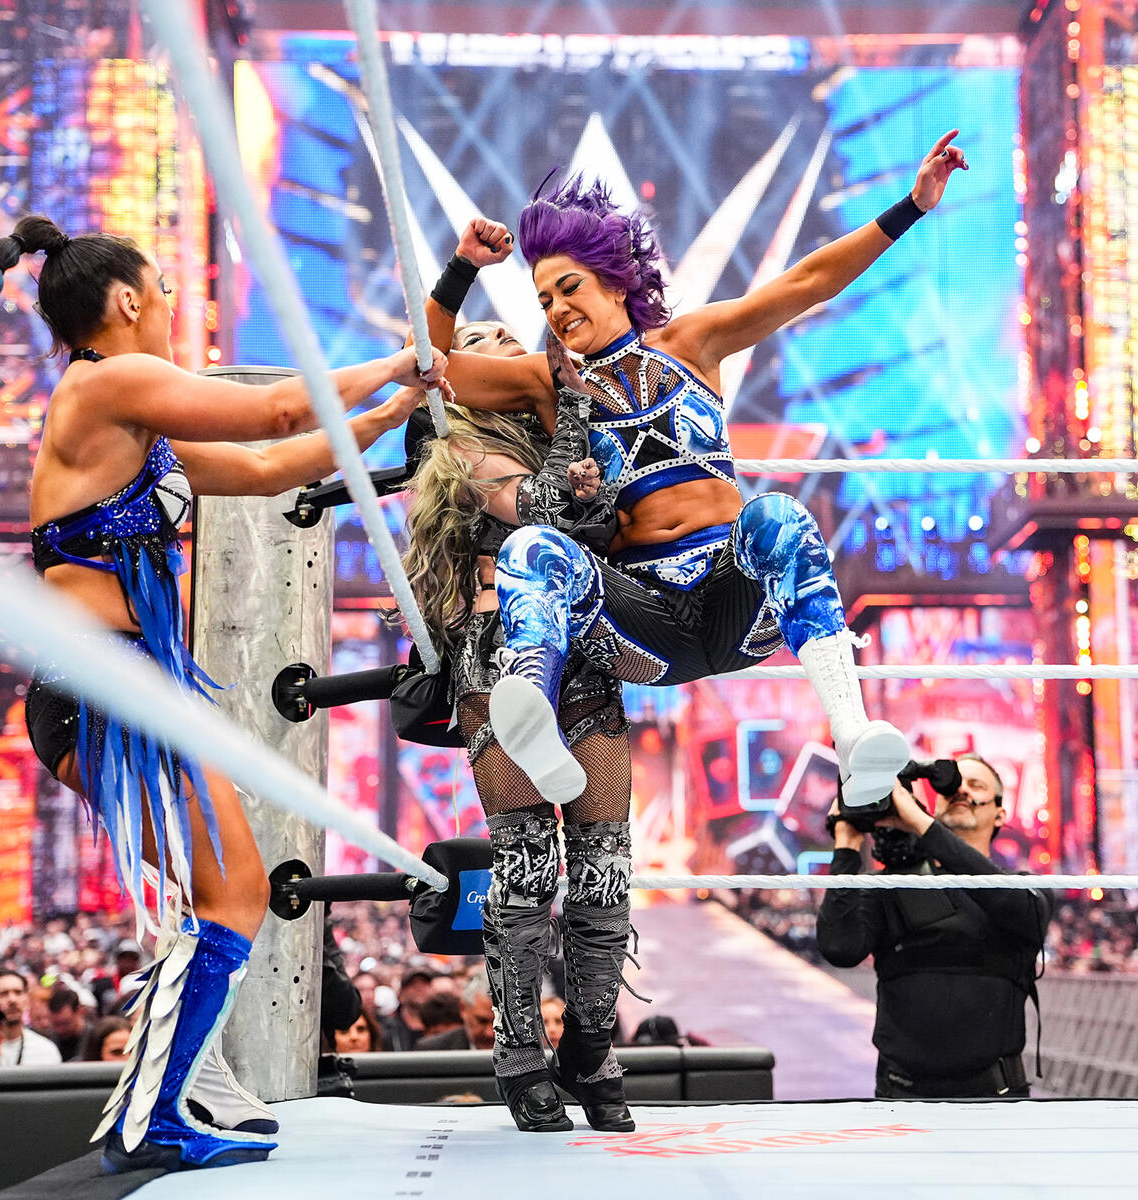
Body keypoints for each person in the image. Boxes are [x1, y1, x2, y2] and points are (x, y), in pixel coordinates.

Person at [0, 215, 449, 1173]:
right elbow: (273, 414)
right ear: (128, 300)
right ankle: (155, 1112)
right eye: (165, 290)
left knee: (222, 894)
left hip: (120, 688)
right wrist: (392, 365)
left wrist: (386, 417)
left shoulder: (130, 422)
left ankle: (175, 1089)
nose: (172, 306)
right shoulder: (107, 380)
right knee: (235, 893)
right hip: (108, 686)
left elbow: (264, 467)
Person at [435, 133, 967, 818]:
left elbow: (806, 283)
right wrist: (462, 267)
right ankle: (534, 723)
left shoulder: (693, 342)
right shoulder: (547, 381)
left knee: (777, 516)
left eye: (569, 287)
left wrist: (913, 205)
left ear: (615, 282)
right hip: (644, 631)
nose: (557, 310)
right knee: (531, 549)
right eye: (544, 302)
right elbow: (430, 366)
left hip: (738, 609)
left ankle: (853, 736)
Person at [402, 312, 635, 1132]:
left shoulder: (562, 435)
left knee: (606, 861)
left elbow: (610, 528)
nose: (509, 345)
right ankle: (518, 1053)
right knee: (528, 862)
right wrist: (570, 404)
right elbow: (542, 510)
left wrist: (584, 436)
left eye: (511, 336)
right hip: (500, 654)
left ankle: (592, 1044)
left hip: (584, 653)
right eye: (486, 340)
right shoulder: (455, 447)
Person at [816, 753, 1052, 1098]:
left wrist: (921, 825)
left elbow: (1019, 909)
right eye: (951, 786)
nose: (961, 791)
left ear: (1000, 813)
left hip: (996, 1094)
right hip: (901, 1093)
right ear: (936, 806)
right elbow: (840, 947)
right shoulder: (892, 885)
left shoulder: (1022, 889)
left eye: (976, 785)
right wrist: (847, 843)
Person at [0, 970, 62, 1066]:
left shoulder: (45, 1050)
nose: (12, 1000)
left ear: (27, 999)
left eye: (18, 993)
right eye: (3, 994)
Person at [415, 969, 496, 1051]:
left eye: (500, 1023)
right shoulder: (433, 1050)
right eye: (482, 1021)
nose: (490, 1033)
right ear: (463, 1009)